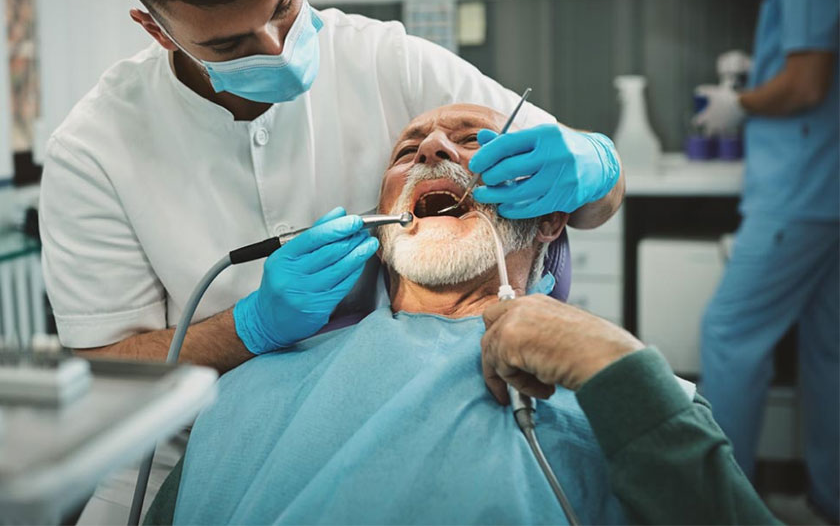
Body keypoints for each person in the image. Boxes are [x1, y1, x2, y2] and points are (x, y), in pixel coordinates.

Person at [39, 0, 624, 375]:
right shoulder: (93, 149)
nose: (276, 47)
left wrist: (594, 164)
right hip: (191, 449)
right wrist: (250, 327)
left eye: (284, 4)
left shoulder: (388, 59)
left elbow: (595, 196)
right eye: (231, 45)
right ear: (155, 29)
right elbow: (102, 366)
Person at [166, 104, 775, 525]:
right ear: (380, 227)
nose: (432, 148)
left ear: (548, 218)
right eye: (409, 150)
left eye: (475, 141)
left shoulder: (626, 395)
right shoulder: (248, 390)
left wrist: (611, 362)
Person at [694, 0, 839, 521]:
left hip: (800, 195)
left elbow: (806, 84)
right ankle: (826, 500)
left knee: (728, 333)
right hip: (827, 193)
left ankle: (725, 506)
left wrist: (740, 103)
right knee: (828, 349)